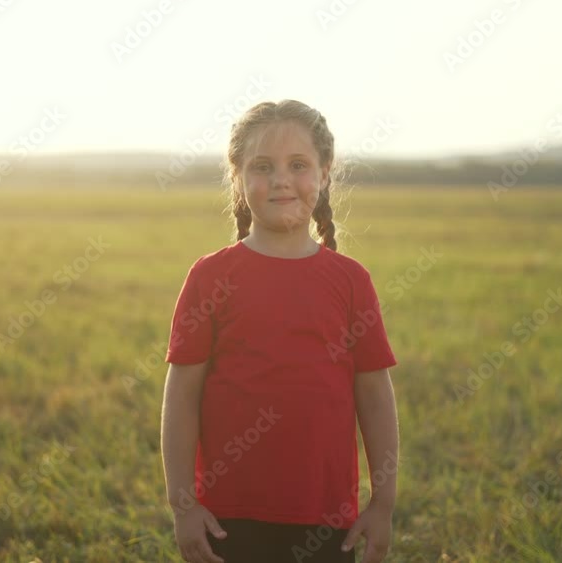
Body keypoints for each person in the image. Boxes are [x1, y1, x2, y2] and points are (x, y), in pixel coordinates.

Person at [161, 99, 399, 563]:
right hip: (228, 518)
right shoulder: (211, 278)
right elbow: (181, 396)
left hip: (328, 519)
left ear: (325, 173)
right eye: (263, 166)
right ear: (238, 176)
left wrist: (383, 504)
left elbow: (374, 394)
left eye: (298, 165)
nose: (281, 180)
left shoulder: (351, 281)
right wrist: (183, 505)